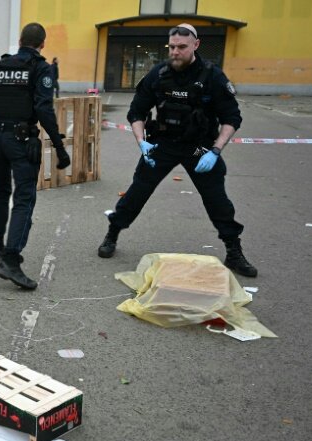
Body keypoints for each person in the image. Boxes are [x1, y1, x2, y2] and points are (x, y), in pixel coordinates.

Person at [97, 23, 257, 278]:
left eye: (181, 47)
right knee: (137, 192)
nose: (175, 52)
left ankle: (234, 251)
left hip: (198, 149)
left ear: (196, 45)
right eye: (171, 47)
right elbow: (136, 112)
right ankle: (112, 233)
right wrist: (142, 143)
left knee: (217, 200)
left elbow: (232, 117)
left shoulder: (212, 76)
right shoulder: (158, 75)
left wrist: (214, 151)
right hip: (164, 146)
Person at [0, 22, 71, 290]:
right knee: (24, 198)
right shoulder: (40, 68)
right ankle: (10, 259)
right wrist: (59, 146)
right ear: (42, 44)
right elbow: (44, 109)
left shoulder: (0, 68)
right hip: (21, 141)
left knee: (0, 191)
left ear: (21, 40)